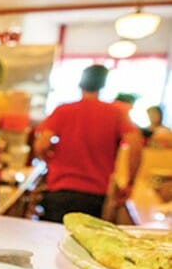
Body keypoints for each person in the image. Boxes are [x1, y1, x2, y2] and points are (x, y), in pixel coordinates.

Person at [33, 64, 144, 223]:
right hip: (94, 195)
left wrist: (48, 159)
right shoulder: (115, 113)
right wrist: (129, 183)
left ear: (80, 84)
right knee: (82, 243)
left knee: (51, 240)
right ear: (103, 85)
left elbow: (41, 145)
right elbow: (136, 144)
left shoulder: (63, 110)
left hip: (59, 189)